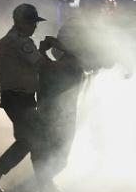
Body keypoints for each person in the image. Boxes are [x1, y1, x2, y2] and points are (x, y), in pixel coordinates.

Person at [0, 3, 59, 192]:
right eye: (32, 22)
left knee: (28, 141)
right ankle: (45, 187)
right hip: (18, 98)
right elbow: (42, 65)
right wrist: (50, 51)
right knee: (37, 139)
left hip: (17, 98)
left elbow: (33, 66)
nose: (35, 26)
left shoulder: (12, 39)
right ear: (21, 22)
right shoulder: (20, 41)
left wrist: (41, 50)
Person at [37, 18, 105, 182]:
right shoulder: (69, 62)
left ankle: (45, 184)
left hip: (64, 110)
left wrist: (46, 51)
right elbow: (50, 69)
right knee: (55, 153)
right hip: (57, 111)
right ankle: (43, 185)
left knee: (58, 153)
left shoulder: (74, 62)